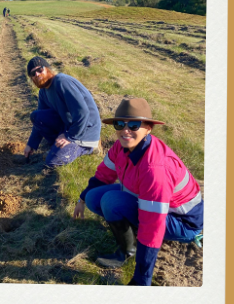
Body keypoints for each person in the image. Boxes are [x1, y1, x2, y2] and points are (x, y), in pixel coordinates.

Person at [74, 98, 203, 286]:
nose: (125, 130)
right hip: (148, 200)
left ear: (148, 128)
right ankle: (130, 239)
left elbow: (152, 226)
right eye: (120, 124)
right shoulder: (121, 146)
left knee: (111, 201)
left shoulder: (154, 169)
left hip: (184, 223)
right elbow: (103, 175)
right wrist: (82, 199)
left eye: (134, 125)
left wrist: (141, 280)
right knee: (94, 197)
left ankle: (128, 250)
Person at [20, 57, 101, 166]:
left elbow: (83, 112)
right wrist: (31, 144)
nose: (37, 74)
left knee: (53, 161)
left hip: (86, 130)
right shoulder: (43, 91)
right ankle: (58, 145)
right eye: (33, 74)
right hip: (69, 125)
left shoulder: (61, 82)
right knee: (36, 116)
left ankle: (89, 148)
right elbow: (40, 120)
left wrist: (69, 136)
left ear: (48, 68)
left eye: (40, 70)